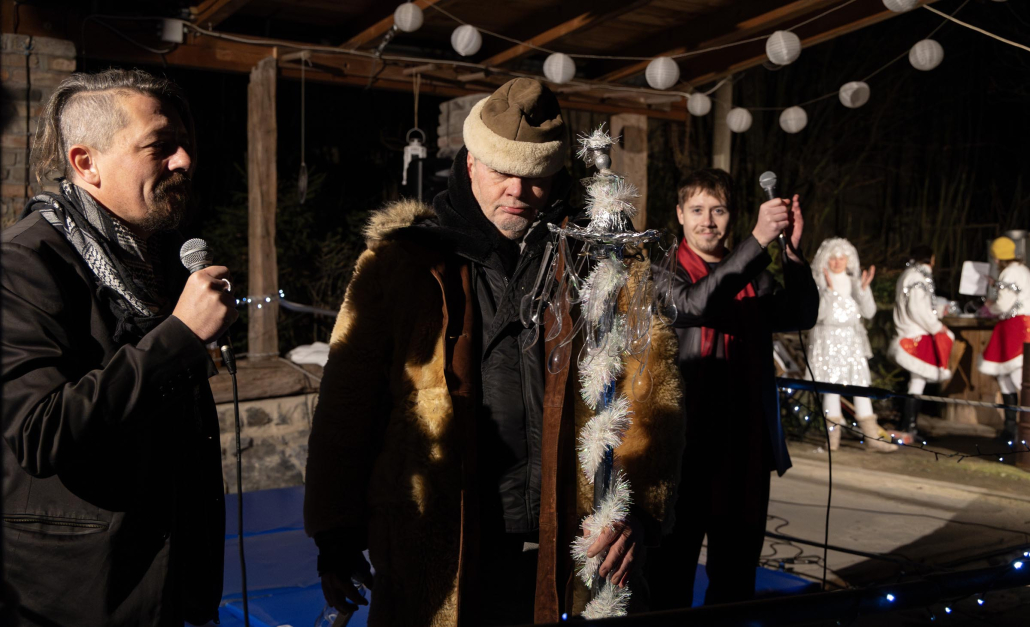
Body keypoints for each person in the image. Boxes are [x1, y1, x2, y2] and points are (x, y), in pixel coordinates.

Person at [303, 78, 684, 626]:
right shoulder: (403, 264)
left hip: (572, 544)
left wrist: (637, 509)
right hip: (439, 544)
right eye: (503, 171)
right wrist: (335, 535)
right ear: (471, 162)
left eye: (535, 178)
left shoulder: (601, 258)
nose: (517, 191)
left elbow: (649, 389)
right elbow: (348, 402)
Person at [2, 69, 232, 626]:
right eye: (159, 146)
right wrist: (180, 335)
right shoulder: (23, 263)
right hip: (76, 595)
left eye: (185, 144)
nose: (183, 161)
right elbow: (40, 433)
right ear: (86, 163)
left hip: (166, 580)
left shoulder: (152, 257)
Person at [646, 168, 819, 608]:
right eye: (697, 210)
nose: (708, 221)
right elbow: (696, 304)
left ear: (732, 215)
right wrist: (758, 241)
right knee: (669, 580)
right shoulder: (659, 270)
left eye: (718, 210)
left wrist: (792, 252)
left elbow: (800, 314)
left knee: (735, 581)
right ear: (679, 214)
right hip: (681, 450)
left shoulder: (756, 274)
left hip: (743, 448)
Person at [808, 238, 896, 452]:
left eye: (841, 258)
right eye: (833, 258)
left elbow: (869, 312)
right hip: (828, 339)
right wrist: (828, 292)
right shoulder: (819, 282)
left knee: (860, 385)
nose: (837, 262)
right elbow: (817, 315)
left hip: (852, 340)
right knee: (831, 388)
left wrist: (864, 290)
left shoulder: (855, 283)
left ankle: (872, 437)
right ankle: (832, 439)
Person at [888, 245, 953, 437]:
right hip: (915, 336)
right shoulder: (918, 277)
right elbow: (917, 308)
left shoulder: (909, 275)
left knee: (917, 380)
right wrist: (936, 326)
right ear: (931, 259)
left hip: (910, 332)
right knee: (917, 380)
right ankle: (909, 426)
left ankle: (908, 425)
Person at [978, 236, 1030, 443]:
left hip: (1015, 326)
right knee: (1006, 377)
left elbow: (1004, 304)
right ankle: (1011, 429)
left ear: (998, 257)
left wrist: (991, 306)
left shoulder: (1009, 272)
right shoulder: (1022, 270)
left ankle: (1018, 430)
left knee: (1017, 377)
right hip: (1016, 325)